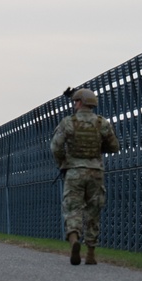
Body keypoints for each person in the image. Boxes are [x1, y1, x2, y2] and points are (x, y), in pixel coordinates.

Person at [50, 87, 120, 265]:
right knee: (93, 211)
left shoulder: (68, 123)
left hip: (74, 171)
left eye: (75, 101)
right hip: (96, 172)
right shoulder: (101, 123)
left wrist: (63, 163)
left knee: (72, 208)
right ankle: (91, 253)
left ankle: (74, 239)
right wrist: (97, 150)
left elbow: (55, 147)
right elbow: (114, 146)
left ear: (80, 102)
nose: (74, 105)